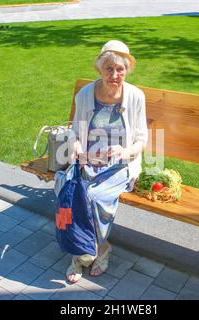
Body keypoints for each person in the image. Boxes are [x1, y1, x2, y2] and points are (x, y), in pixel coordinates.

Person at [65, 40, 148, 283]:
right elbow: (73, 131)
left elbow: (142, 140)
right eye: (108, 69)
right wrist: (77, 147)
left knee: (93, 197)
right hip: (87, 162)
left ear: (127, 70)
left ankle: (88, 251)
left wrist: (124, 151)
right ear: (99, 69)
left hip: (120, 164)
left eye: (120, 69)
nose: (114, 75)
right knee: (70, 194)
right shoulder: (85, 95)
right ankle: (89, 250)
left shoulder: (135, 97)